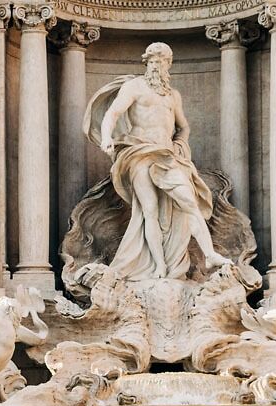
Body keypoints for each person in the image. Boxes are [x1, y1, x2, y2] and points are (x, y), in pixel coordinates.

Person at [83, 42, 230, 281]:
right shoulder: (134, 87)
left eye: (161, 61)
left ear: (168, 65)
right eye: (152, 61)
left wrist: (180, 144)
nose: (156, 66)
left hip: (166, 156)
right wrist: (107, 136)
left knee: (189, 202)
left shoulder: (173, 96)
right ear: (146, 63)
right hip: (139, 153)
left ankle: (210, 254)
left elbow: (183, 127)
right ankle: (159, 266)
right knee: (148, 210)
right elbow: (113, 113)